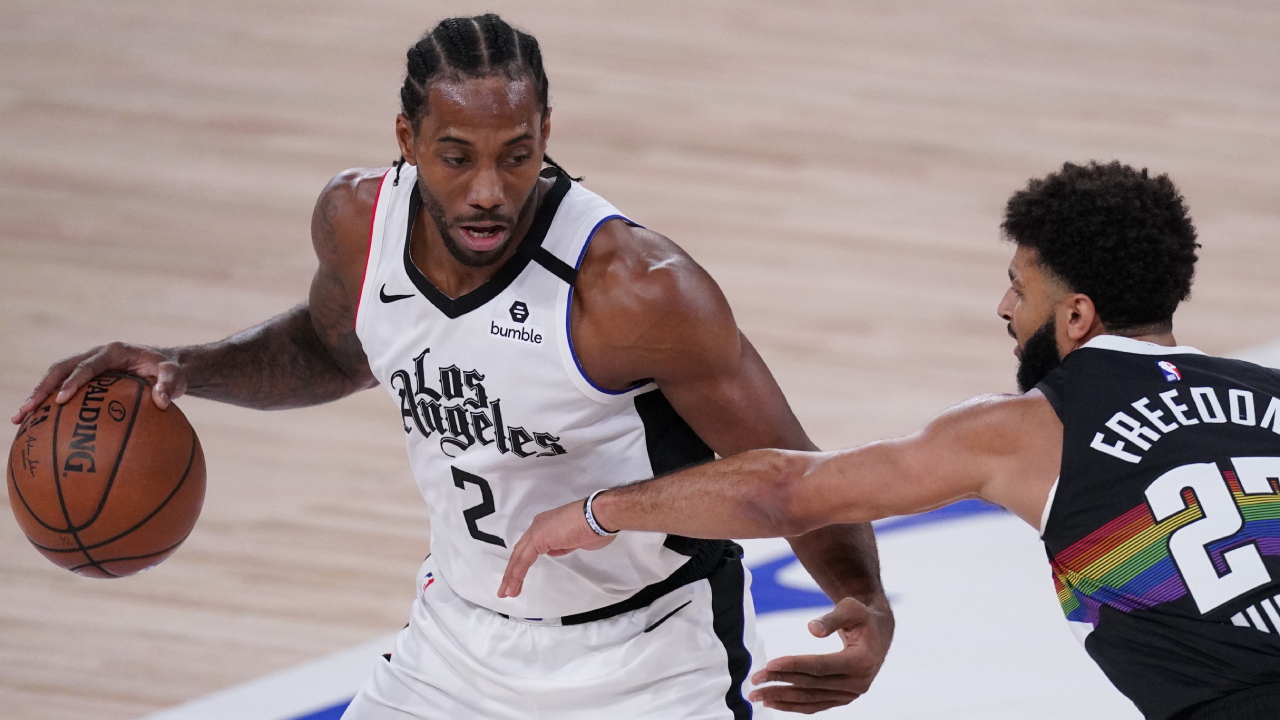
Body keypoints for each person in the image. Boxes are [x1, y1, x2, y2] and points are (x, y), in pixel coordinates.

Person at [12, 13, 894, 719]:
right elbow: (331, 350)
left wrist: (864, 601)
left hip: (646, 659)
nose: (487, 190)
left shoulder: (637, 290)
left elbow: (793, 471)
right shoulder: (358, 224)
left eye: (517, 156)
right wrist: (183, 366)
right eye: (457, 156)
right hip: (455, 644)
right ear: (406, 136)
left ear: (546, 132)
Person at [501, 161, 1280, 720]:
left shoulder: (1024, 430)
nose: (1003, 307)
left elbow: (787, 491)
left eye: (1021, 287)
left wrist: (602, 510)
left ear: (1076, 317)